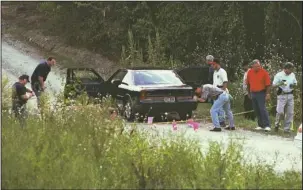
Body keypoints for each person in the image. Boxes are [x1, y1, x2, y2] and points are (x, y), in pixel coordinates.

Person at [246, 59, 271, 131]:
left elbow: (268, 85)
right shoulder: (250, 72)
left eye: (259, 66)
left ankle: (267, 125)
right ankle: (260, 125)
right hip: (253, 93)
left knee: (262, 109)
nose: (258, 67)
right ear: (252, 66)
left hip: (261, 93)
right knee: (256, 109)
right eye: (256, 66)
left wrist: (267, 94)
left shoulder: (264, 72)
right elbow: (248, 84)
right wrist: (248, 93)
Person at [272, 62, 297, 133]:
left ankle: (287, 129)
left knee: (290, 112)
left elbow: (295, 83)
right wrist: (281, 83)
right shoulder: (279, 75)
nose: (291, 71)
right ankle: (277, 124)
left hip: (290, 95)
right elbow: (273, 85)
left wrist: (293, 85)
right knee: (280, 112)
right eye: (290, 69)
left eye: (292, 70)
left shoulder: (292, 75)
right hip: (282, 95)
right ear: (286, 69)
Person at [211, 58, 229, 127]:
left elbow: (225, 82)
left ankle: (221, 122)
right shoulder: (215, 72)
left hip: (221, 91)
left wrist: (222, 91)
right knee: (218, 107)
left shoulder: (222, 71)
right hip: (215, 91)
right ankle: (220, 121)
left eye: (213, 64)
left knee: (218, 108)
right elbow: (214, 83)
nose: (212, 66)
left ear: (217, 64)